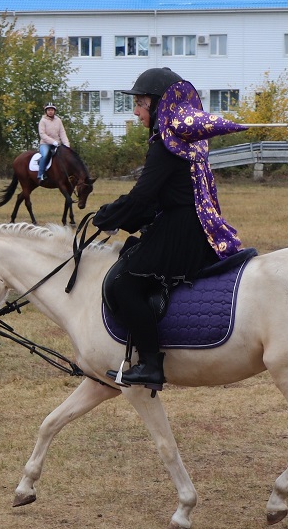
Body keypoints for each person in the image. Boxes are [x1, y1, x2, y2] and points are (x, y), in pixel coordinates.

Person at [93, 68, 247, 389]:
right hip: (186, 223)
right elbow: (153, 200)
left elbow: (142, 196)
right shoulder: (180, 141)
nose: (136, 112)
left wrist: (108, 216)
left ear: (156, 104)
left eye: (139, 103)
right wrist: (123, 218)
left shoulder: (165, 144)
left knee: (124, 285)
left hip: (181, 229)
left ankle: (150, 364)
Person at [37, 104, 70, 182]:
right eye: (48, 110)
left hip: (57, 144)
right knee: (45, 155)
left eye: (52, 110)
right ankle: (40, 175)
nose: (50, 112)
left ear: (54, 111)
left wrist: (66, 144)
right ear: (46, 111)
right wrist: (53, 142)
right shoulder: (43, 121)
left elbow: (62, 133)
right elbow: (42, 134)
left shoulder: (58, 120)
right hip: (45, 144)